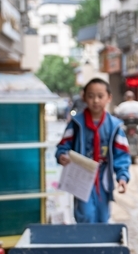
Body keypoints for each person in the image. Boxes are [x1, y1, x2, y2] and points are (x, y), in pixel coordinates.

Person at [56, 78, 131, 224]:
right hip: (81, 177)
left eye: (100, 96)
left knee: (103, 216)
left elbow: (121, 154)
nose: (95, 100)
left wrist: (122, 176)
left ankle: (101, 245)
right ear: (84, 97)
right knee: (86, 214)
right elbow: (63, 146)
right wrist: (62, 156)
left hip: (103, 178)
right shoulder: (76, 124)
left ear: (109, 98)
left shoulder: (114, 126)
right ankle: (86, 245)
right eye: (90, 96)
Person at [114, 90, 138, 154]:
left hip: (126, 124)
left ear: (126, 97)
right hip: (136, 124)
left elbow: (116, 114)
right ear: (133, 97)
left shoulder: (122, 105)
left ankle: (116, 150)